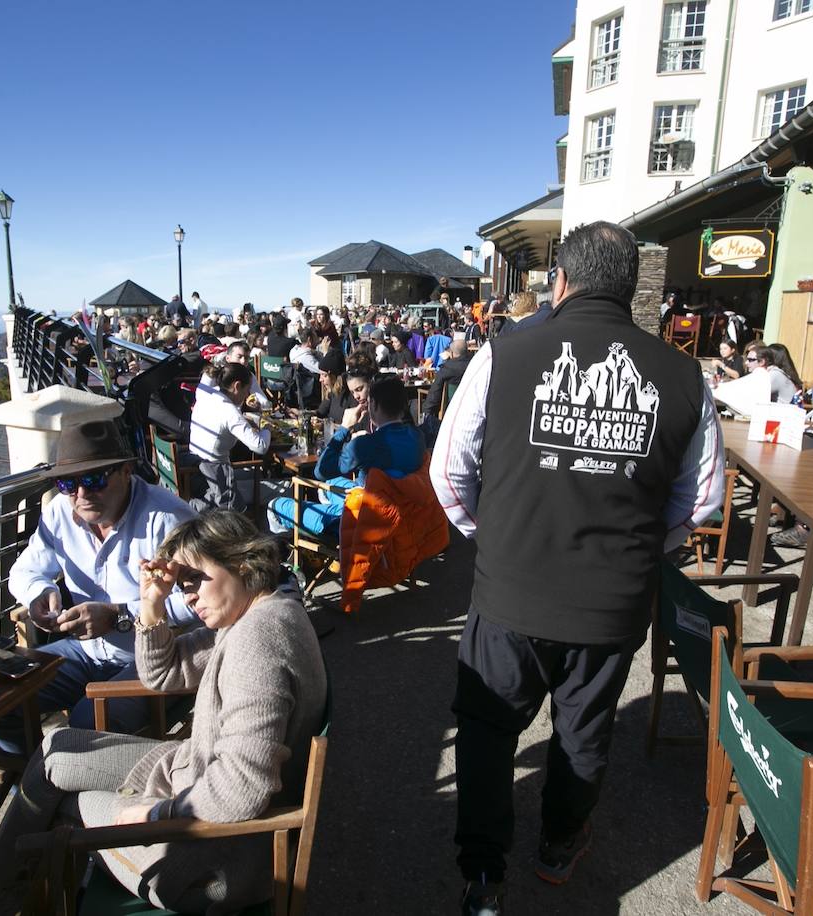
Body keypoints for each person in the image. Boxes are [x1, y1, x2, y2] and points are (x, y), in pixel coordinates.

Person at [432, 221, 724, 914]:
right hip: (612, 602)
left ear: (559, 282)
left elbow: (448, 475)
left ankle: (482, 873)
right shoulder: (683, 373)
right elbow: (703, 500)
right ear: (629, 290)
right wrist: (642, 549)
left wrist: (496, 538)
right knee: (584, 729)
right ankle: (559, 847)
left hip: (510, 592)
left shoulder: (504, 353)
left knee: (488, 728)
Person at [0, 511, 327, 914]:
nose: (187, 595)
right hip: (193, 774)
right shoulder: (259, 612)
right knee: (57, 749)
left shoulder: (256, 645)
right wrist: (151, 604)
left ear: (242, 562)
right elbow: (164, 673)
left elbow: (243, 786)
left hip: (214, 862)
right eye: (182, 584)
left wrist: (157, 813)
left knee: (61, 807)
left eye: (194, 580)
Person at [0, 420, 198, 754]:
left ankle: (64, 793)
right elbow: (23, 571)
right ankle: (35, 789)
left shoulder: (168, 520)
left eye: (93, 479)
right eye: (67, 483)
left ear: (126, 470)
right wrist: (39, 594)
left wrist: (120, 616)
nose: (82, 494)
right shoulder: (59, 511)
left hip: (155, 660)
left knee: (86, 725)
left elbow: (196, 601)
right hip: (86, 653)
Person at [267, 375, 423, 536]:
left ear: (373, 405)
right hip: (400, 516)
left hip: (364, 522)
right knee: (329, 484)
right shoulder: (417, 436)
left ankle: (317, 541)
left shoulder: (365, 445)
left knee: (275, 505)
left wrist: (344, 427)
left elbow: (320, 471)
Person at [189, 362, 271, 511]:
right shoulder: (230, 411)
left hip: (198, 469)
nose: (247, 395)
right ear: (237, 386)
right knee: (277, 486)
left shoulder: (206, 394)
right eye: (247, 390)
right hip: (218, 479)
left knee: (255, 474)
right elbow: (261, 446)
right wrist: (266, 428)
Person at [315, 348, 356, 424]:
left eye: (324, 375)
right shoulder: (331, 391)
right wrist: (301, 414)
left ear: (333, 376)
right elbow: (320, 413)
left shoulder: (351, 393)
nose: (320, 379)